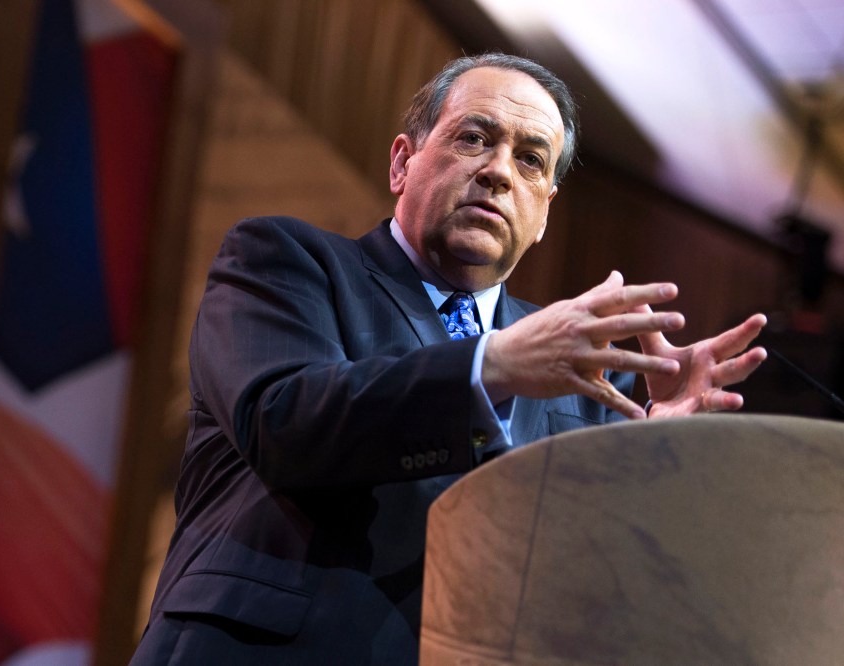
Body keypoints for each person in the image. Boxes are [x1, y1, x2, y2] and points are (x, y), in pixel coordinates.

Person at [130, 53, 767, 664]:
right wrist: (489, 366)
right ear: (403, 163)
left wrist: (653, 473)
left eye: (530, 160)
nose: (498, 171)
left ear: (544, 214)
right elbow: (284, 422)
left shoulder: (596, 379)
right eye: (474, 138)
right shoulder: (286, 262)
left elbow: (597, 592)